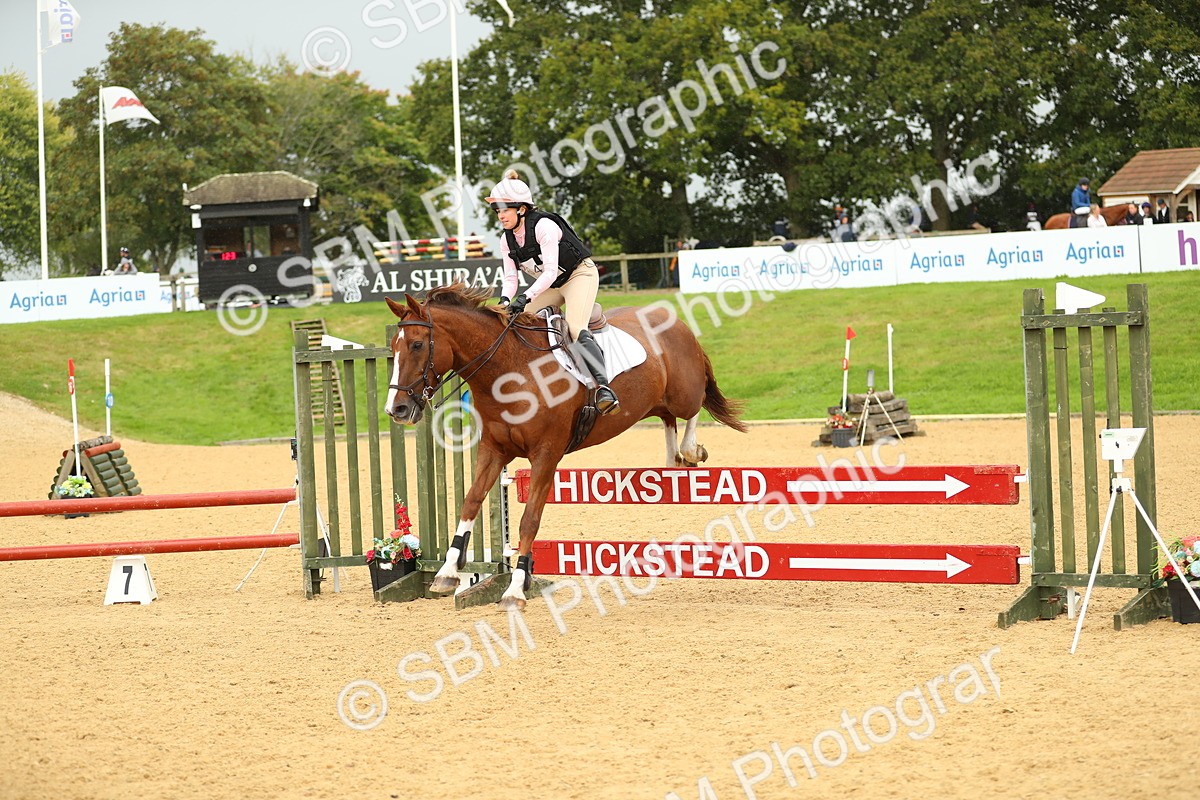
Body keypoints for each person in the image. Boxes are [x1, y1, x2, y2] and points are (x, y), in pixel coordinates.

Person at [487, 169, 619, 415]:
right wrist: (506, 300)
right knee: (513, 322)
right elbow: (510, 277)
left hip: (579, 276)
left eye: (505, 209)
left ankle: (604, 388)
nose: (500, 216)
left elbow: (549, 272)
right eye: (498, 211)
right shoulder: (507, 239)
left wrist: (526, 297)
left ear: (522, 209)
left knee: (575, 327)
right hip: (553, 286)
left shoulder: (544, 226)